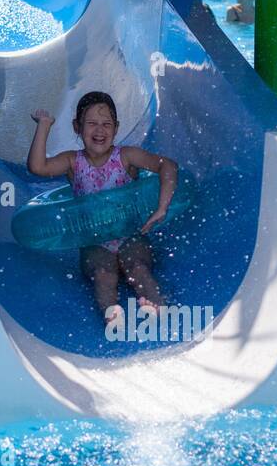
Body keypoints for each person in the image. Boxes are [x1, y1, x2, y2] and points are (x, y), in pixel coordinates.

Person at [27, 92, 178, 325]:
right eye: (92, 124)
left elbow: (167, 165)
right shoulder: (72, 162)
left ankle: (158, 304)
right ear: (77, 127)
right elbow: (38, 167)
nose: (100, 130)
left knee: (137, 267)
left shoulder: (127, 156)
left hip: (130, 235)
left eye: (107, 124)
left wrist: (162, 207)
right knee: (103, 274)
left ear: (116, 128)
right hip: (94, 241)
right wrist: (44, 126)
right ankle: (112, 313)